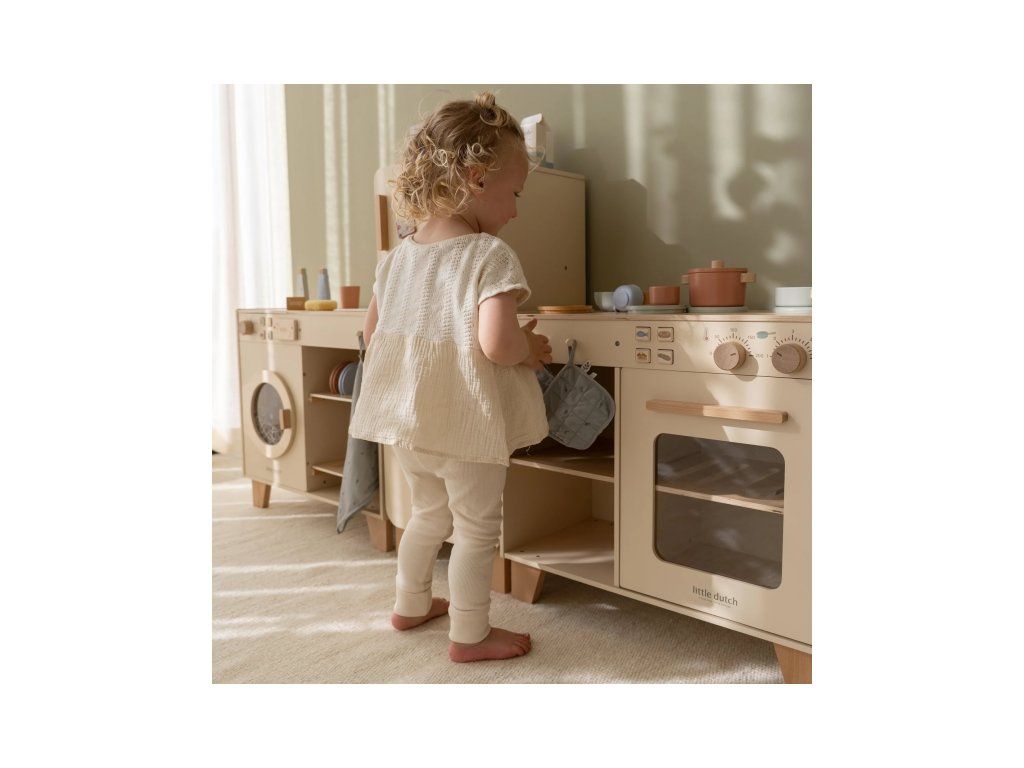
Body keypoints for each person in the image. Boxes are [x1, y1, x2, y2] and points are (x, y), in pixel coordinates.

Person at [347, 92, 553, 662]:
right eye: (515, 193)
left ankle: (410, 603)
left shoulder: (397, 257)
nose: (516, 211)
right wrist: (530, 348)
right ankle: (470, 633)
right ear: (477, 178)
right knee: (476, 528)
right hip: (466, 426)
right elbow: (498, 344)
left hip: (409, 423)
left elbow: (372, 335)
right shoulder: (489, 255)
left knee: (427, 515)